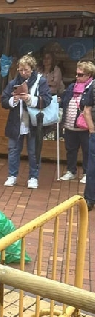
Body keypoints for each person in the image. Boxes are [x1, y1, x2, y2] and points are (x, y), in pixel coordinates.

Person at [1, 54, 52, 189]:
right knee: (13, 150)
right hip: (16, 122)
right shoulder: (13, 82)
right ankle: (12, 176)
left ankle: (33, 178)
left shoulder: (40, 81)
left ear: (32, 69)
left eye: (26, 70)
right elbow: (4, 100)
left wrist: (30, 99)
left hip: (33, 123)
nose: (23, 73)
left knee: (34, 151)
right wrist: (13, 101)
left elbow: (47, 99)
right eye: (21, 70)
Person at [59, 61, 94, 183]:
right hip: (70, 125)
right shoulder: (71, 87)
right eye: (76, 74)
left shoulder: (92, 88)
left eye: (80, 74)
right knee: (71, 149)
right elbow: (64, 100)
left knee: (87, 150)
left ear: (89, 75)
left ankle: (86, 172)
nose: (77, 77)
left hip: (85, 126)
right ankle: (71, 171)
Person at [82, 67, 95, 211]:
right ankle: (90, 198)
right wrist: (92, 129)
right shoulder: (93, 86)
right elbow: (87, 109)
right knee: (92, 167)